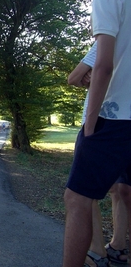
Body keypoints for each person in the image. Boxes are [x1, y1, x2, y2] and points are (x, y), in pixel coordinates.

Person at [63, 0, 131, 266]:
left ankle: (94, 256)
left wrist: (90, 123)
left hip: (114, 118)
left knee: (77, 199)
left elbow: (101, 66)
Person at [68, 41, 130, 266]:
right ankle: (118, 246)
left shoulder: (107, 37)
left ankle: (97, 251)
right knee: (122, 190)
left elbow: (74, 77)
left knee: (82, 193)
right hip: (124, 121)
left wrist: (90, 76)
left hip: (101, 121)